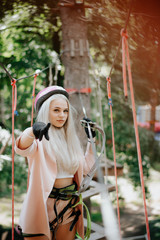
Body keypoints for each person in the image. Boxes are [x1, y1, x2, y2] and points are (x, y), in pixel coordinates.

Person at [15, 85, 96, 240]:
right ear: (46, 111)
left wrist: (91, 140)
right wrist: (31, 132)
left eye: (65, 111)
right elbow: (20, 148)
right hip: (41, 207)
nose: (62, 115)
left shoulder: (71, 141)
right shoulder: (37, 138)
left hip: (68, 206)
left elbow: (87, 169)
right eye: (56, 110)